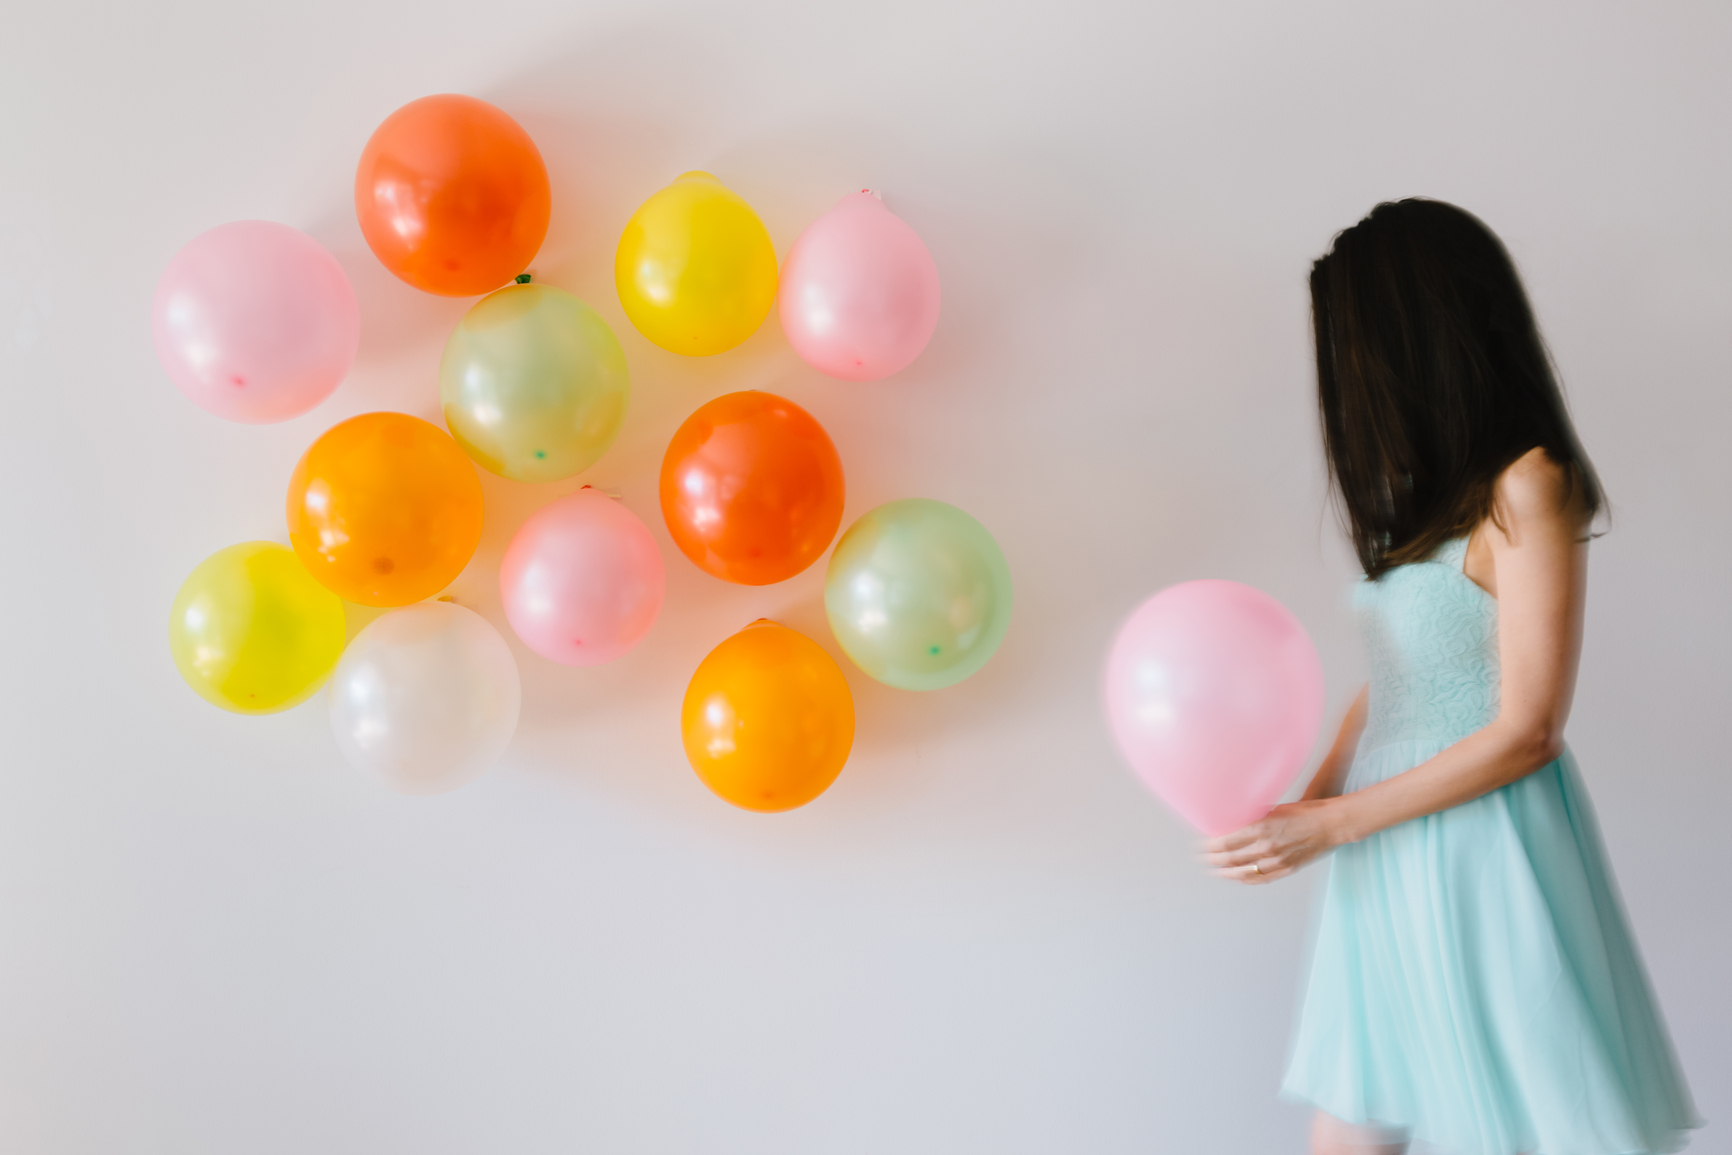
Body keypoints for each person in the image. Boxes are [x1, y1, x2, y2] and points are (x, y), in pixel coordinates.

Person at [1205, 199, 1701, 1155]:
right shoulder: (1421, 505)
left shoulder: (1529, 482)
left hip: (1484, 844)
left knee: (1531, 1118)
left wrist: (1330, 821)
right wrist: (1303, 806)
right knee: (1353, 1124)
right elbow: (1391, 682)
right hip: (1383, 841)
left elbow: (1529, 726)